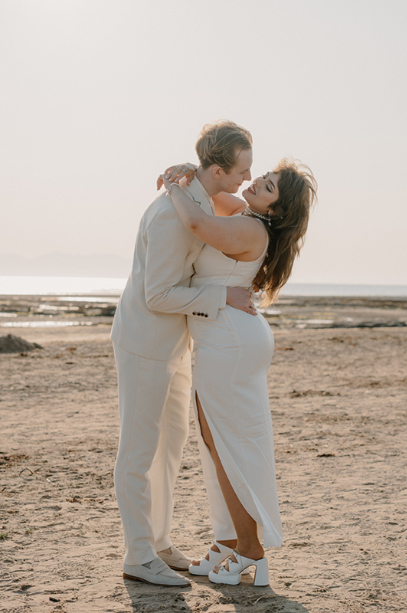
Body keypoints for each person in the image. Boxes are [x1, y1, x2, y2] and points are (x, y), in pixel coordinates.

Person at [157, 155, 316, 586]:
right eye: (263, 176)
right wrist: (185, 170)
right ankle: (230, 540)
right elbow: (211, 192)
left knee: (227, 445)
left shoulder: (249, 227)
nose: (257, 182)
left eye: (267, 186)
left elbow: (195, 223)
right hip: (226, 339)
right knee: (217, 443)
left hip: (230, 343)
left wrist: (171, 186)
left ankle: (251, 550)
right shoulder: (245, 214)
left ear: (275, 209)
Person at [111, 121, 258, 587]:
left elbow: (229, 211)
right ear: (216, 169)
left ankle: (158, 542)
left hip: (173, 343)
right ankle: (137, 554)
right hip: (144, 342)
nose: (245, 180)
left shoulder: (196, 195)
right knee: (138, 450)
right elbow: (157, 296)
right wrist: (223, 299)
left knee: (169, 448)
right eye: (240, 171)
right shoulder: (170, 214)